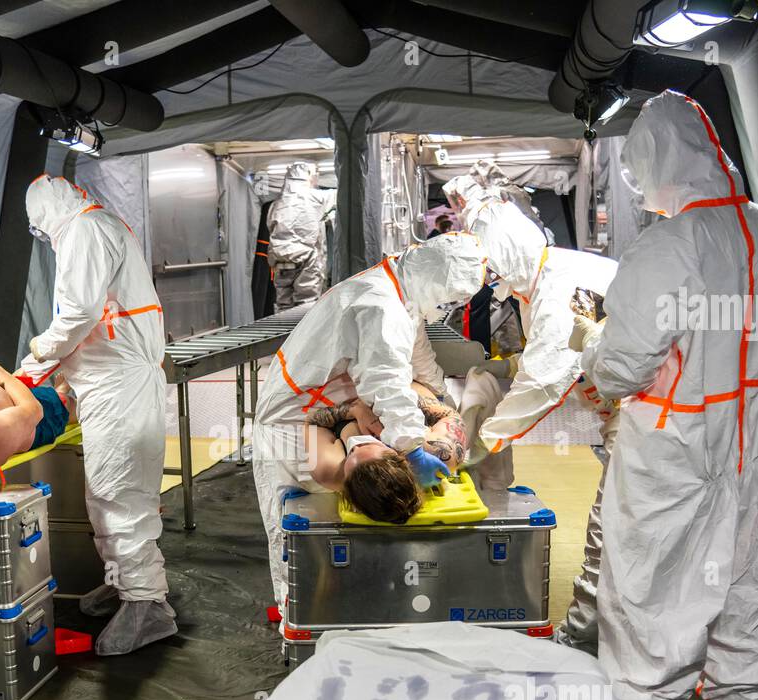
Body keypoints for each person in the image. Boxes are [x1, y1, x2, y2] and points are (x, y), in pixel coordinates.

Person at [575, 90, 758, 700]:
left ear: (656, 163)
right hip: (749, 457)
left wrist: (590, 358)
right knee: (744, 597)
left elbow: (622, 367)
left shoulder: (668, 246)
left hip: (670, 462)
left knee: (649, 604)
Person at [252, 233, 489, 611]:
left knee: (330, 530)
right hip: (292, 417)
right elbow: (386, 382)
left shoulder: (401, 295)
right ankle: (298, 611)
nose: (367, 441)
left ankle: (348, 601)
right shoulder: (381, 306)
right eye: (449, 297)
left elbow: (417, 358)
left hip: (330, 406)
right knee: (298, 538)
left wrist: (431, 397)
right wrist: (411, 442)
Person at [445, 171, 619, 648]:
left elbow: (545, 381)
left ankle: (582, 640)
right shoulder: (544, 277)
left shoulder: (560, 285)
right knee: (630, 530)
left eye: (492, 268)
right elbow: (551, 354)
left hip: (649, 417)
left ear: (506, 254)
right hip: (636, 410)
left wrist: (476, 444)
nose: (492, 280)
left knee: (611, 530)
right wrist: (507, 367)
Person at [23, 175, 175, 657]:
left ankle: (146, 605)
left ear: (47, 216)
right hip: (113, 383)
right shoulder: (97, 226)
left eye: (39, 228)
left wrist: (40, 350)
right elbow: (98, 320)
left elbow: (79, 314)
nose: (43, 238)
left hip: (118, 388)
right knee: (112, 492)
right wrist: (43, 368)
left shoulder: (84, 230)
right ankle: (123, 580)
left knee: (118, 494)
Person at [306, 381, 468, 522]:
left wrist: (354, 411)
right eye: (366, 444)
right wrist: (396, 405)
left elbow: (310, 422)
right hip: (401, 377)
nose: (357, 444)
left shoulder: (327, 471)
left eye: (352, 451)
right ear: (400, 457)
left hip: (339, 390)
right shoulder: (440, 451)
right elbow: (449, 414)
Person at [267, 161, 336, 309]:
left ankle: (284, 323)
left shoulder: (277, 203)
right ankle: (304, 325)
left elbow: (270, 225)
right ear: (308, 176)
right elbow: (342, 195)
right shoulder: (316, 197)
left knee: (283, 302)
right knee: (307, 302)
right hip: (306, 258)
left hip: (280, 259)